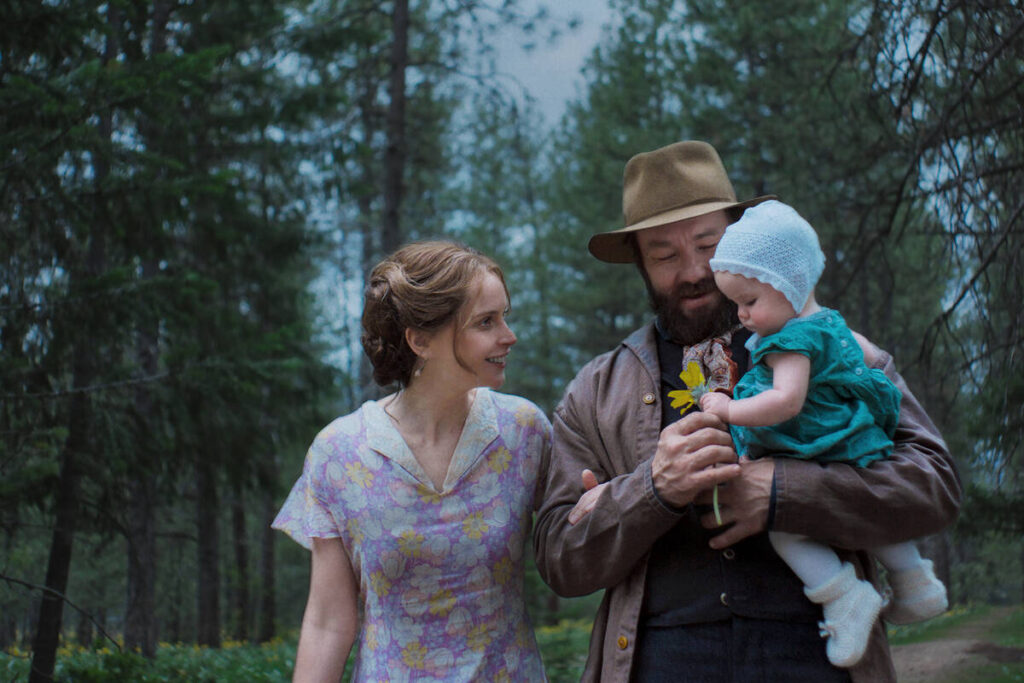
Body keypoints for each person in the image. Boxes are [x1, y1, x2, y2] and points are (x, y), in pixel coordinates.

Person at [532, 140, 961, 682]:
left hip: (818, 660)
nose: (694, 271)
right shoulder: (596, 392)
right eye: (664, 255)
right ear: (639, 261)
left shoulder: (831, 345)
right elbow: (558, 558)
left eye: (709, 245)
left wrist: (783, 491)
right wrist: (652, 489)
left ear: (739, 237)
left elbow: (936, 485)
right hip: (661, 665)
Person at [273, 241, 551, 682]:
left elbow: (578, 542)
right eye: (486, 322)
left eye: (504, 317)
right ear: (420, 340)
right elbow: (328, 623)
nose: (508, 336)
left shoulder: (523, 431)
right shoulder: (340, 454)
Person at [697, 199, 947, 668]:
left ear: (789, 285)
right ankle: (915, 581)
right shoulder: (830, 322)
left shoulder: (790, 341)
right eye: (736, 303)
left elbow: (785, 402)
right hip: (854, 437)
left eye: (749, 302)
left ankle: (843, 595)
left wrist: (730, 409)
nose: (742, 315)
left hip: (814, 444)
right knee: (870, 516)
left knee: (786, 533)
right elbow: (864, 356)